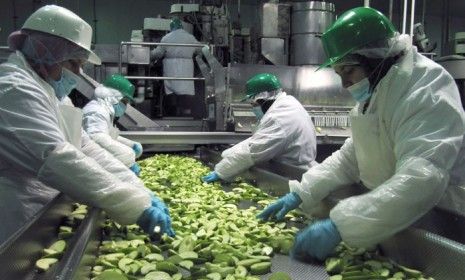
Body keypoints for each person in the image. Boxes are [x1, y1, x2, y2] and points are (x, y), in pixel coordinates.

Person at [258, 7, 465, 261]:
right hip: (387, 218)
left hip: (438, 222)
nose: (345, 84)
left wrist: (341, 225)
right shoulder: (379, 92)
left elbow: (422, 178)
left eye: (348, 71)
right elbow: (351, 157)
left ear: (376, 57)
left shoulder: (425, 90)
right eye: (339, 73)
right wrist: (302, 191)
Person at [0, 5, 174, 243]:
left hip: (44, 208)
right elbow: (56, 157)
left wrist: (139, 191)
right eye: (74, 64)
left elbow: (84, 146)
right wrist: (134, 206)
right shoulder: (15, 89)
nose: (78, 73)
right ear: (46, 52)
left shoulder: (51, 93)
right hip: (15, 218)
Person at [202, 73, 318, 183]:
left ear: (264, 100)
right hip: (289, 169)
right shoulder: (288, 105)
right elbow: (257, 140)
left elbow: (253, 152)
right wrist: (228, 153)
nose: (253, 109)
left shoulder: (280, 118)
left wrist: (221, 171)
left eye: (254, 105)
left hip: (294, 175)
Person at [82, 74, 143, 176]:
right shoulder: (97, 111)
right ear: (113, 97)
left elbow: (108, 135)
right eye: (123, 101)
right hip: (89, 164)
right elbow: (97, 138)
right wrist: (128, 156)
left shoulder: (104, 110)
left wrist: (131, 144)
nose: (124, 106)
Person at [150, 17, 201, 116]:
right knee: (185, 90)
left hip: (171, 69)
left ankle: (172, 113)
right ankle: (186, 113)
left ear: (171, 27)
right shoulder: (190, 37)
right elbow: (200, 49)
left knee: (171, 92)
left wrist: (149, 54)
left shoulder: (166, 38)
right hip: (186, 69)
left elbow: (157, 53)